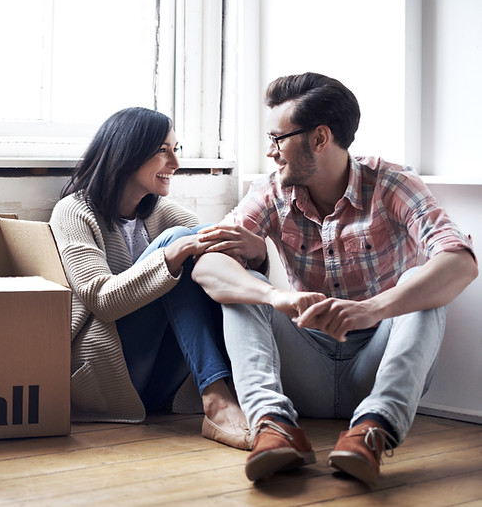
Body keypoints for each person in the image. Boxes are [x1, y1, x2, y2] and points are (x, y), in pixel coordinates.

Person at [192, 72, 477, 486]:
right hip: (303, 366)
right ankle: (273, 428)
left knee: (423, 284)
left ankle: (373, 431)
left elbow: (460, 261)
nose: (271, 152)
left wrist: (370, 309)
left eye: (278, 139)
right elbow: (206, 265)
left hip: (378, 366)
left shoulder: (391, 183)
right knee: (243, 286)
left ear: (320, 138)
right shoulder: (270, 191)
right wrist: (276, 297)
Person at [49, 106, 251, 450]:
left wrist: (249, 249)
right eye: (163, 150)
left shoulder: (161, 211)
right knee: (178, 244)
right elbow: (102, 300)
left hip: (162, 382)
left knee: (200, 240)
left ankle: (243, 389)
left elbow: (210, 246)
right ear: (127, 152)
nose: (175, 163)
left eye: (177, 149)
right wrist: (171, 256)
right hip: (110, 374)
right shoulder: (74, 211)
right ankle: (218, 398)